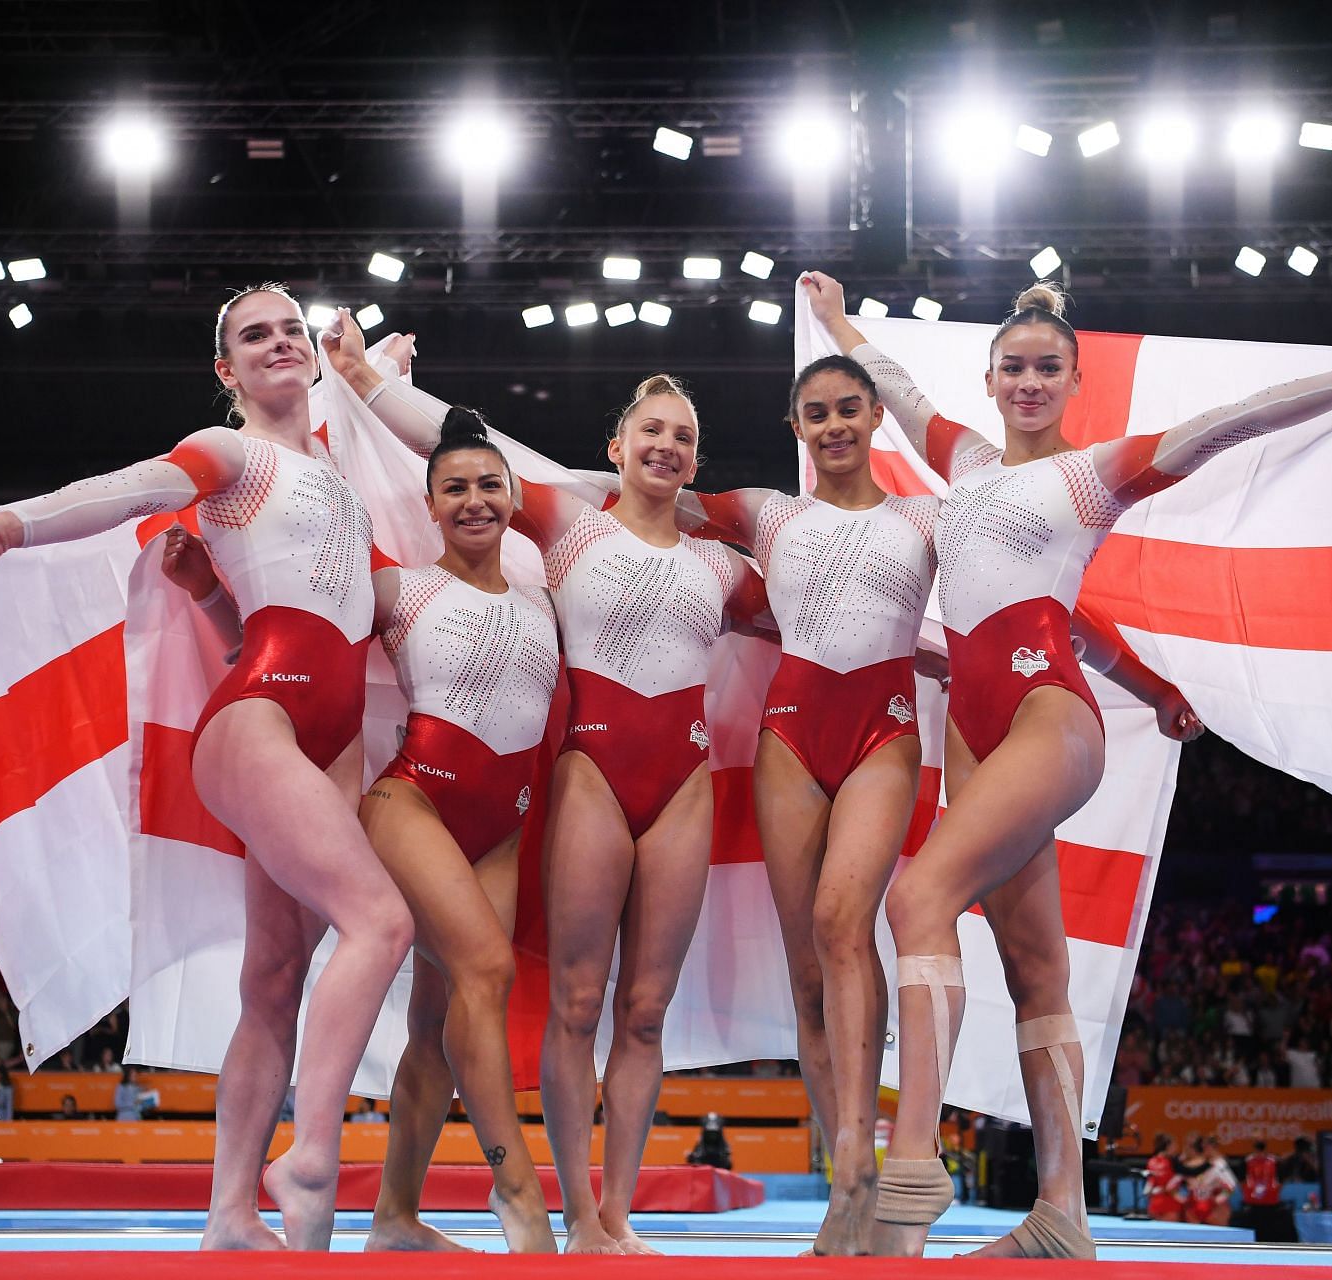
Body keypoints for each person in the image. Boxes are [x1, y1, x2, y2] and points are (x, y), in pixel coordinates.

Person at [804, 268, 1332, 1259]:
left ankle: (913, 1158)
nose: (1028, 381)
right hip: (976, 726)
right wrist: (835, 319)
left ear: (1074, 384)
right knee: (1037, 970)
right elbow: (899, 389)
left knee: (916, 899)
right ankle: (1062, 1208)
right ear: (991, 379)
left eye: (1046, 369)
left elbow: (1238, 420)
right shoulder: (967, 462)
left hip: (1045, 717)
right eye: (1012, 367)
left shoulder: (1096, 471)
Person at [662, 353, 1198, 1254]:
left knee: (847, 925)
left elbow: (1040, 609)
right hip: (788, 736)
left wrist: (1147, 683)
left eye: (848, 409)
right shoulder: (767, 512)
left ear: (874, 418)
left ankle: (887, 1168)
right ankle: (852, 1185)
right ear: (797, 428)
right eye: (815, 413)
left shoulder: (933, 519)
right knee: (809, 969)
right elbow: (642, 502)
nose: (833, 425)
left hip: (883, 733)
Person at [0, 283, 416, 1252]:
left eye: (289, 330)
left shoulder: (339, 482)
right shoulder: (232, 453)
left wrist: (210, 599)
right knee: (382, 918)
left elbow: (269, 628)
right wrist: (15, 522)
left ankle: (230, 1210)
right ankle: (311, 1153)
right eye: (253, 336)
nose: (279, 342)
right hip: (260, 726)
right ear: (227, 370)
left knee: (274, 980)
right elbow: (134, 487)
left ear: (310, 357)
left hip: (322, 731)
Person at [355, 358, 771, 1254]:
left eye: (684, 437)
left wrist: (937, 650)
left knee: (646, 1010)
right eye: (651, 430)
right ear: (614, 448)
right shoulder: (569, 526)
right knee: (580, 1000)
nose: (666, 444)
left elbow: (822, 619)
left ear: (695, 463)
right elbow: (466, 452)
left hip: (683, 789)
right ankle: (574, 1214)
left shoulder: (724, 568)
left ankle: (615, 1217)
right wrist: (367, 383)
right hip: (591, 777)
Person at [165, 389, 560, 1254]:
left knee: (435, 1024)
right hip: (413, 804)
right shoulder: (397, 591)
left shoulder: (547, 599)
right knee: (486, 973)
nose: (474, 502)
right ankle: (522, 1198)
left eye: (489, 485)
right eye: (452, 489)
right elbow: (298, 642)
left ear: (516, 496)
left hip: (503, 824)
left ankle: (394, 1217)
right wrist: (206, 593)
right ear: (428, 508)